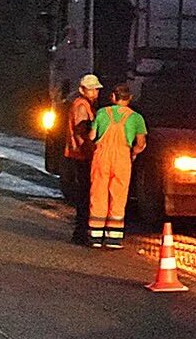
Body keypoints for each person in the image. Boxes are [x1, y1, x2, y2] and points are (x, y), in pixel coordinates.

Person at [88, 83, 147, 248]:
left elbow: (92, 136)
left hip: (102, 156)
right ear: (130, 98)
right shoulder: (137, 118)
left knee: (98, 193)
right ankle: (113, 238)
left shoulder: (102, 113)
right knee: (119, 195)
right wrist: (133, 153)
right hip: (123, 158)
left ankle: (95, 236)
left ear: (113, 97)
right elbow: (141, 144)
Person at [63, 74, 103, 244]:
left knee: (84, 195)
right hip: (80, 155)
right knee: (84, 195)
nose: (95, 92)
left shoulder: (84, 104)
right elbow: (81, 133)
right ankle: (80, 233)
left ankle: (80, 232)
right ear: (82, 90)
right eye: (92, 89)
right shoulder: (81, 106)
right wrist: (89, 150)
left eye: (96, 89)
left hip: (79, 154)